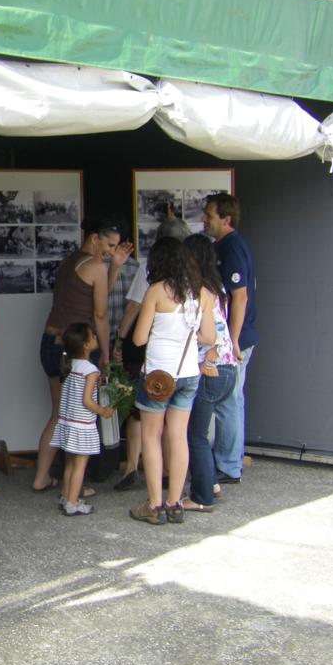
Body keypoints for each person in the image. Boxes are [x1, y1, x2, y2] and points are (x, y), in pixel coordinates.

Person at [33, 219, 132, 493]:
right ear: (94, 238)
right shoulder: (96, 265)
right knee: (79, 419)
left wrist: (115, 267)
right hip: (74, 349)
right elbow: (100, 314)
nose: (111, 251)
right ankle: (73, 488)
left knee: (59, 414)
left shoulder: (71, 261)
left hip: (50, 342)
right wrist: (105, 352)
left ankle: (42, 477)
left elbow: (96, 293)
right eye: (109, 245)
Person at [128, 237, 216, 526]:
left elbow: (139, 338)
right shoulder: (203, 294)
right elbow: (209, 337)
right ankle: (175, 503)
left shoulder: (156, 291)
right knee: (178, 437)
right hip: (188, 373)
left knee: (151, 437)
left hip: (158, 377)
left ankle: (154, 505)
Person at [111, 213, 193, 490]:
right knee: (175, 426)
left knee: (140, 413)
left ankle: (133, 468)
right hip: (184, 361)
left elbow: (134, 308)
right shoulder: (192, 274)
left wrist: (119, 339)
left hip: (150, 353)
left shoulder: (152, 271)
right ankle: (171, 478)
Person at [203, 193, 258, 485]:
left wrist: (233, 342)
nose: (204, 220)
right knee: (229, 400)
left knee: (230, 401)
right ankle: (227, 461)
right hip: (231, 339)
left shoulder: (232, 247)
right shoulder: (224, 246)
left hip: (236, 340)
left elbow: (240, 297)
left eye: (209, 215)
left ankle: (228, 464)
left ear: (226, 219)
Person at [183, 233, 238, 513]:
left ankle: (202, 497)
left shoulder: (198, 291)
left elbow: (208, 336)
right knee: (201, 433)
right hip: (228, 369)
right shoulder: (217, 288)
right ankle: (212, 483)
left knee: (196, 435)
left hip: (210, 369)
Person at [52, 323, 114, 516]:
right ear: (86, 345)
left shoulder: (71, 365)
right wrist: (103, 411)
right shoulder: (90, 370)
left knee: (70, 463)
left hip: (67, 422)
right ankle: (73, 502)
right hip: (82, 425)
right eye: (93, 336)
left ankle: (65, 495)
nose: (96, 338)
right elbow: (87, 401)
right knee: (80, 465)